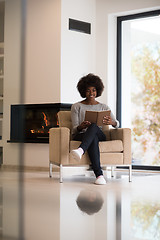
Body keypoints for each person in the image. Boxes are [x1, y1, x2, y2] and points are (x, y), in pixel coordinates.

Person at [70, 73, 119, 185]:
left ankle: (80, 150)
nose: (91, 93)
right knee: (93, 138)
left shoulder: (104, 107)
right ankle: (99, 175)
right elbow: (74, 129)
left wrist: (111, 122)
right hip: (82, 134)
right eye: (88, 90)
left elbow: (117, 124)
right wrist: (81, 126)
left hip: (99, 133)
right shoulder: (76, 106)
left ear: (97, 91)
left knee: (94, 127)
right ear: (83, 91)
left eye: (94, 90)